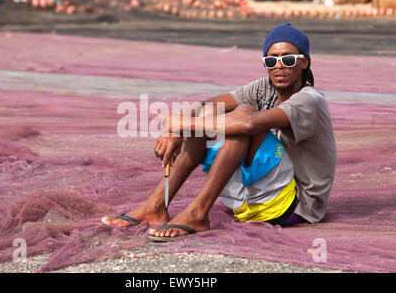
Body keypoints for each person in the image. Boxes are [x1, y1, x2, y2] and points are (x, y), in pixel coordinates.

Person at [101, 23, 337, 241]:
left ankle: (198, 213)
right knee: (207, 117)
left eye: (288, 59)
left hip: (293, 206)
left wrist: (181, 124)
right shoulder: (264, 87)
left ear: (304, 62)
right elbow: (205, 106)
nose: (279, 66)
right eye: (271, 60)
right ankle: (156, 205)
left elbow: (248, 124)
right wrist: (175, 127)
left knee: (241, 118)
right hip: (254, 197)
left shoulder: (309, 100)